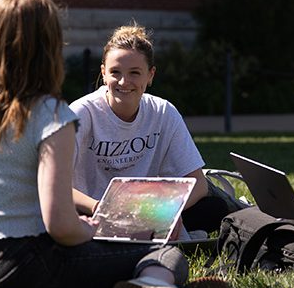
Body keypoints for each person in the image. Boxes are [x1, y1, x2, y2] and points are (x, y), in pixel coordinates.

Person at [0, 0, 226, 288]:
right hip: (20, 270)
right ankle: (154, 285)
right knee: (161, 252)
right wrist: (91, 229)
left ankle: (154, 284)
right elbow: (61, 226)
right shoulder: (51, 114)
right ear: (51, 43)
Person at [69, 25, 228, 236]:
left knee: (215, 209)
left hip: (150, 214)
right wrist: (100, 209)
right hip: (90, 213)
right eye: (115, 72)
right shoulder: (81, 113)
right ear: (103, 73)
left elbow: (198, 184)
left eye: (134, 73)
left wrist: (163, 215)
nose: (124, 82)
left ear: (150, 75)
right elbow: (51, 186)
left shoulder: (163, 112)